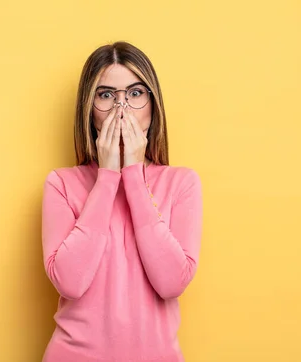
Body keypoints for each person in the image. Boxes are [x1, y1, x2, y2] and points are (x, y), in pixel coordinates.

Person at [41, 41, 203, 362]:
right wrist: (107, 176)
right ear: (89, 110)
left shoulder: (182, 183)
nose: (121, 107)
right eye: (105, 95)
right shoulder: (61, 184)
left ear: (152, 104)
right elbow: (70, 283)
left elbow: (171, 283)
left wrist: (133, 174)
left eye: (134, 93)